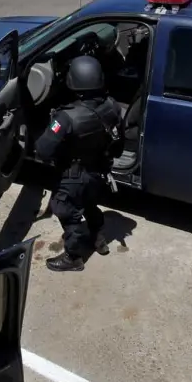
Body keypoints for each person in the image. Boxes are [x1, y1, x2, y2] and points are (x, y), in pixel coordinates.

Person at [34, 56, 122, 272]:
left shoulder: (65, 117)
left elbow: (43, 150)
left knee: (65, 210)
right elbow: (118, 141)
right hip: (99, 170)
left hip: (73, 176)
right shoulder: (112, 105)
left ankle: (73, 257)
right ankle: (98, 240)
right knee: (90, 203)